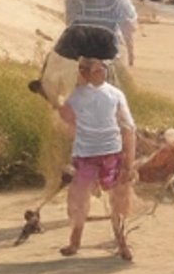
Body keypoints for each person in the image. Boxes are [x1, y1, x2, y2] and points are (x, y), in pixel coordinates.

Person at [48, 58, 137, 261]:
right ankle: (75, 241)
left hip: (111, 153)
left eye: (102, 69)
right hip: (85, 154)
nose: (101, 73)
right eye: (97, 70)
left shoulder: (115, 94)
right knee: (78, 199)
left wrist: (128, 162)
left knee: (119, 199)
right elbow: (66, 118)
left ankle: (122, 242)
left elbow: (129, 127)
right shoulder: (74, 96)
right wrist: (51, 98)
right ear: (84, 72)